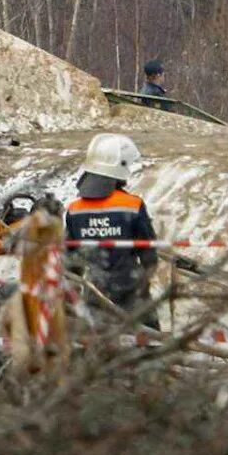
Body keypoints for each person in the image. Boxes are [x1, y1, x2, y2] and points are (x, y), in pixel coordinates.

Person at [65, 133, 159, 324]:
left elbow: (71, 262)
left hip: (95, 293)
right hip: (132, 291)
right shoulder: (132, 205)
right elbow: (149, 252)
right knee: (148, 343)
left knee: (101, 346)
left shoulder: (75, 210)